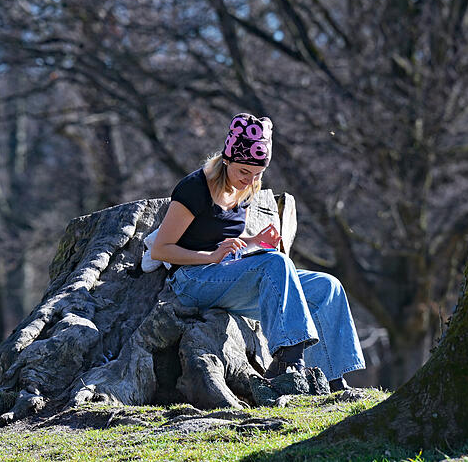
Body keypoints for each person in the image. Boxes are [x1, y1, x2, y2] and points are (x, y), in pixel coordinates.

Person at [151, 113, 365, 391]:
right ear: (227, 159)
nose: (249, 180)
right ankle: (288, 361)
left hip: (228, 276)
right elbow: (161, 249)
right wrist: (210, 257)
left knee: (328, 286)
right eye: (243, 172)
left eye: (257, 174)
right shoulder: (193, 189)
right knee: (275, 264)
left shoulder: (246, 188)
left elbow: (223, 234)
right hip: (192, 281)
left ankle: (332, 380)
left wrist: (254, 241)